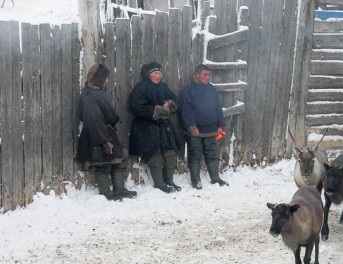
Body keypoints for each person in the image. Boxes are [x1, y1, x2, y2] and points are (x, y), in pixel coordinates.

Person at [75, 63, 138, 200]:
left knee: (120, 158)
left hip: (105, 131)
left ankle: (119, 189)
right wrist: (104, 141)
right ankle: (107, 194)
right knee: (102, 164)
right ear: (99, 78)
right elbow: (93, 120)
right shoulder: (89, 95)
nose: (107, 80)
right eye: (105, 77)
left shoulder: (97, 91)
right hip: (97, 134)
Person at [129, 61, 181, 193]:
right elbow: (137, 106)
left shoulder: (163, 87)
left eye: (160, 73)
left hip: (164, 127)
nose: (158, 76)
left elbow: (174, 99)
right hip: (146, 128)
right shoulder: (141, 88)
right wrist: (157, 110)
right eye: (155, 73)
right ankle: (160, 184)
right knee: (155, 155)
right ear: (149, 74)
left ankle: (169, 181)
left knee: (170, 153)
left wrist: (170, 104)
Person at [179, 64, 228, 189]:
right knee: (195, 154)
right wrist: (191, 126)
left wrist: (220, 124)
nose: (207, 77)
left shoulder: (211, 89)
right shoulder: (188, 90)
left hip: (212, 129)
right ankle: (196, 180)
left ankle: (215, 178)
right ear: (196, 75)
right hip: (196, 130)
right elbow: (186, 110)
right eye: (205, 75)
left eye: (209, 75)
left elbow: (218, 108)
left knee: (212, 154)